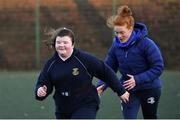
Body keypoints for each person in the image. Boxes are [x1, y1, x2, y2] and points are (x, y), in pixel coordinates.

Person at [34, 27, 129, 119]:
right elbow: (43, 82)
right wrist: (40, 91)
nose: (61, 45)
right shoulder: (51, 64)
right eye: (58, 42)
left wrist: (121, 91)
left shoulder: (84, 59)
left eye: (65, 42)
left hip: (85, 103)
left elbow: (105, 72)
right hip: (63, 106)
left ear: (72, 44)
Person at [97, 5, 164, 119]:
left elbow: (158, 67)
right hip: (128, 90)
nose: (119, 36)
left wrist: (137, 79)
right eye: (116, 33)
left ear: (131, 28)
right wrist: (101, 85)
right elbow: (109, 67)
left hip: (150, 88)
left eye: (122, 32)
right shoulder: (115, 44)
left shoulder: (146, 44)